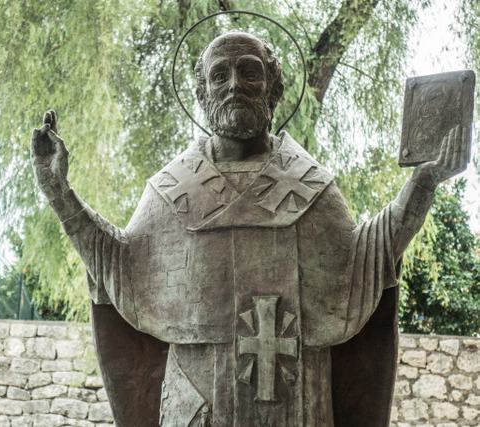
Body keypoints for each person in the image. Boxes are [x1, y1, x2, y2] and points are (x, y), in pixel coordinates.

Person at [31, 31, 469, 427]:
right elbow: (118, 266)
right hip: (199, 402)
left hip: (297, 398)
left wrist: (423, 182)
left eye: (249, 71)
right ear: (202, 93)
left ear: (273, 87)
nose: (234, 85)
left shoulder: (311, 187)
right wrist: (59, 193)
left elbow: (366, 263)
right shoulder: (171, 190)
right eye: (219, 75)